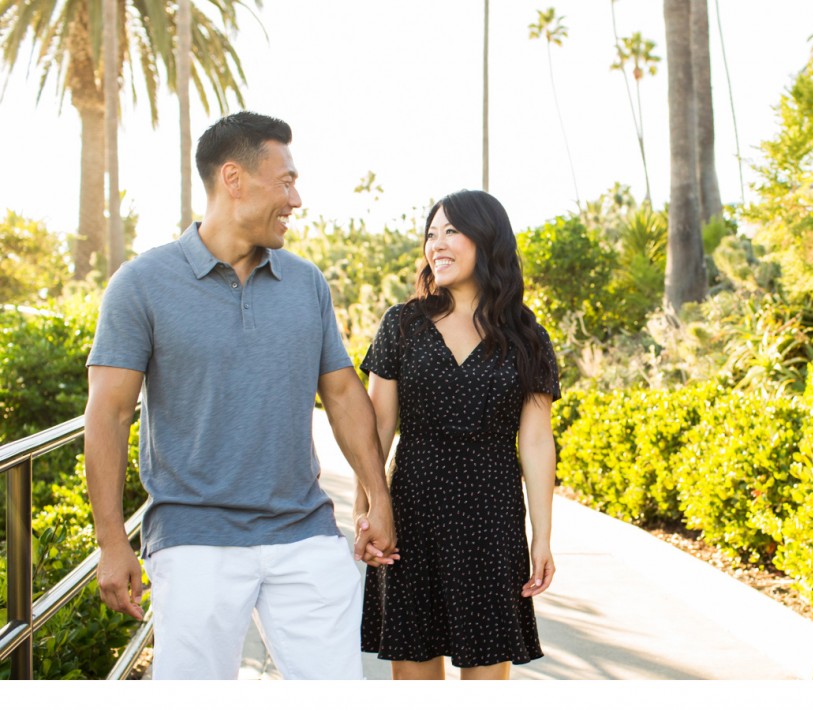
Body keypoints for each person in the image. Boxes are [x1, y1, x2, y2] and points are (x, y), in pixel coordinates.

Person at [83, 111, 396, 680]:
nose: (296, 199)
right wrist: (111, 541)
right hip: (194, 538)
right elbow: (108, 413)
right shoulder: (142, 283)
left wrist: (378, 495)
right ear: (233, 179)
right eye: (285, 181)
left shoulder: (306, 283)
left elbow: (344, 394)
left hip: (305, 532)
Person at [355, 189, 560, 680]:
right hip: (414, 512)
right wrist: (366, 509)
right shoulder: (402, 324)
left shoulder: (527, 336)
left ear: (487, 241)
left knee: (488, 678)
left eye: (451, 231)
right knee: (414, 679)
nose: (437, 244)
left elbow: (535, 442)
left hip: (492, 518)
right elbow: (378, 427)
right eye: (431, 233)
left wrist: (542, 538)